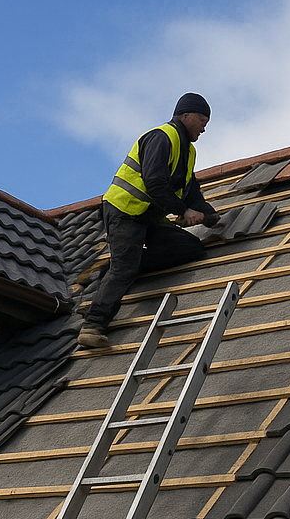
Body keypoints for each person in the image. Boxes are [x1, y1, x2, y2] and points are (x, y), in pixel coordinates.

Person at [78, 93, 221, 350]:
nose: (204, 127)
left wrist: (208, 214)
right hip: (124, 212)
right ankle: (93, 325)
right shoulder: (161, 137)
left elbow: (190, 191)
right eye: (202, 120)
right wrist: (183, 211)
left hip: (148, 217)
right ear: (185, 116)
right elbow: (154, 182)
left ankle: (111, 267)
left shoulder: (188, 150)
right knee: (124, 270)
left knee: (190, 248)